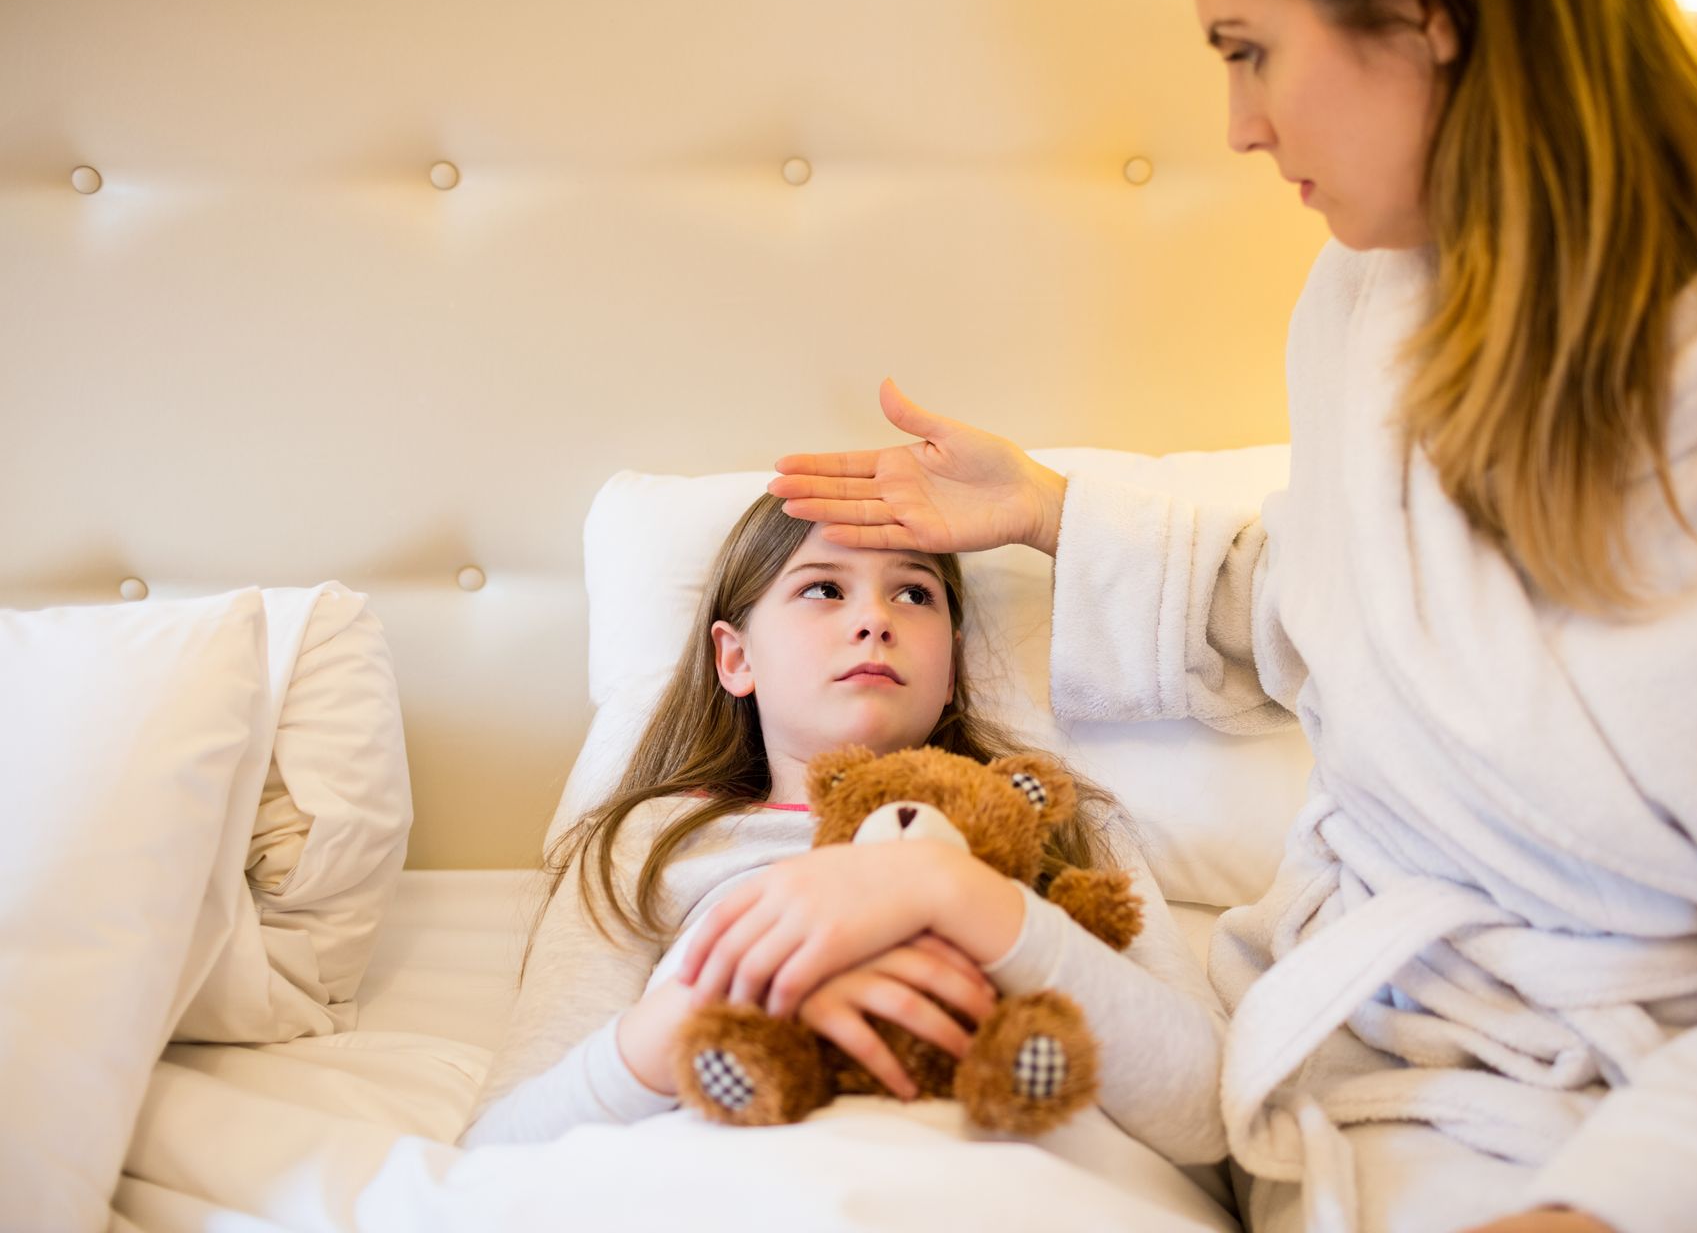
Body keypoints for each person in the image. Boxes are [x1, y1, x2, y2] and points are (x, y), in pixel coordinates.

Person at [757, 0, 1697, 1231]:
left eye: (1249, 48)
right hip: (1384, 1057)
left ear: (1430, 10)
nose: (1240, 126)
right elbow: (1347, 612)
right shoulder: (1370, 294)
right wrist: (1050, 509)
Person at [461, 493, 1229, 1174]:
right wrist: (741, 998)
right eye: (823, 588)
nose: (875, 620)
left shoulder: (1053, 830)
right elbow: (496, 1153)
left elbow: (1213, 1115)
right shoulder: (651, 843)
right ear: (736, 657)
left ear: (953, 667)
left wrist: (958, 893)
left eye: (914, 592)